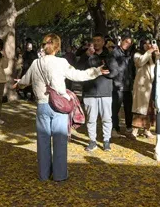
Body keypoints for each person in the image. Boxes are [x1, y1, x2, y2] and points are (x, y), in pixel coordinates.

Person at [16, 34, 105, 181]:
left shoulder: (35, 63)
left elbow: (25, 81)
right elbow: (78, 75)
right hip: (59, 105)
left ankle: (43, 175)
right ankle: (59, 175)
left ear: (44, 46)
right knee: (59, 142)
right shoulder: (61, 62)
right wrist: (97, 71)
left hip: (42, 105)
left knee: (43, 142)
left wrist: (18, 83)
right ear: (57, 47)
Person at [81, 35, 116, 152]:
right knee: (91, 118)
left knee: (107, 118)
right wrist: (87, 56)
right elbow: (78, 70)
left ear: (103, 42)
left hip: (105, 91)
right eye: (94, 41)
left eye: (98, 41)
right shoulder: (86, 55)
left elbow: (115, 72)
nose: (96, 43)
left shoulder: (109, 55)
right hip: (89, 91)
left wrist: (101, 73)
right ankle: (92, 141)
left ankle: (106, 140)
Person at [132, 39, 159, 138]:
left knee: (150, 108)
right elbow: (140, 62)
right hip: (141, 85)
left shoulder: (152, 55)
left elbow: (159, 64)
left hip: (151, 85)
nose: (148, 45)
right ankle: (135, 130)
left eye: (150, 43)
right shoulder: (137, 54)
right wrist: (149, 51)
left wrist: (157, 53)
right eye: (146, 43)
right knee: (139, 109)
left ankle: (147, 129)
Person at [108, 36, 133, 137]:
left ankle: (128, 128)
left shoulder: (128, 54)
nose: (127, 44)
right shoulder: (114, 53)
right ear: (121, 41)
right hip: (118, 85)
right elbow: (114, 69)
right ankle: (114, 128)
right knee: (115, 108)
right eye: (126, 41)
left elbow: (131, 69)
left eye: (129, 43)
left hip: (127, 85)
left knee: (128, 108)